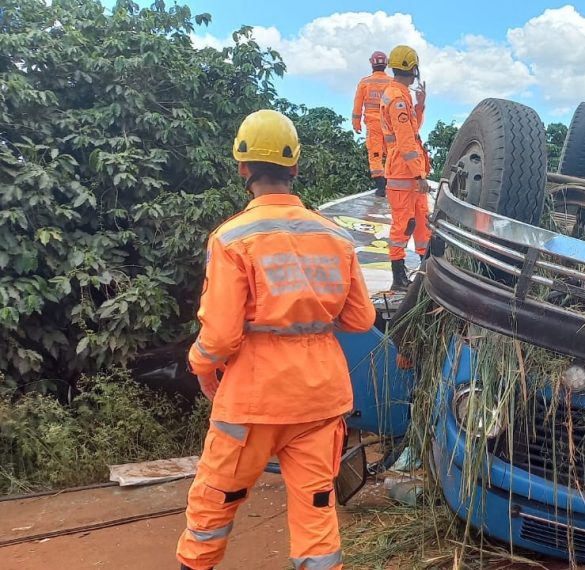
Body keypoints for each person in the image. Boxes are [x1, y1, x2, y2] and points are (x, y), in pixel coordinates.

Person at [176, 109, 376, 570]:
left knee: (214, 505)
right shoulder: (336, 237)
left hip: (252, 399)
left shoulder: (232, 238)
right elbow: (361, 319)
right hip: (321, 399)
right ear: (295, 168)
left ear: (242, 167)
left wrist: (202, 366)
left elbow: (221, 335)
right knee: (317, 513)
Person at [380, 44, 431, 290]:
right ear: (413, 68)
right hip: (404, 173)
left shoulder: (401, 95)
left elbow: (411, 129)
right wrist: (420, 174)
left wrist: (420, 105)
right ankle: (398, 278)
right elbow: (406, 140)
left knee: (422, 222)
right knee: (403, 225)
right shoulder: (398, 98)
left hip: (409, 174)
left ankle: (425, 268)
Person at [352, 51, 392, 197]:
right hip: (390, 125)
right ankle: (392, 182)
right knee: (392, 153)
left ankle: (381, 187)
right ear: (386, 64)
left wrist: (356, 123)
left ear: (371, 63)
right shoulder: (392, 83)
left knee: (375, 154)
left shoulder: (365, 83)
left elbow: (358, 104)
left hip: (373, 124)